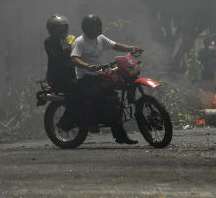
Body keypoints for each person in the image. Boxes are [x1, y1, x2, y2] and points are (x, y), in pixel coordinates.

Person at [71, 14, 143, 145]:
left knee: (115, 100)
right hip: (85, 77)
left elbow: (115, 45)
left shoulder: (100, 38)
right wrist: (87, 66)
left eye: (96, 27)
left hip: (99, 75)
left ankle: (121, 136)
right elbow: (74, 58)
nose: (95, 29)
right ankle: (90, 122)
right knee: (97, 96)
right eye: (92, 27)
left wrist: (131, 48)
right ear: (86, 28)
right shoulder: (80, 41)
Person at [44, 14, 76, 92]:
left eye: (64, 27)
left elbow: (76, 53)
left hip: (71, 73)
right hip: (58, 75)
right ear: (52, 29)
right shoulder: (49, 41)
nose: (63, 29)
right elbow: (60, 57)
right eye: (60, 27)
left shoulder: (69, 38)